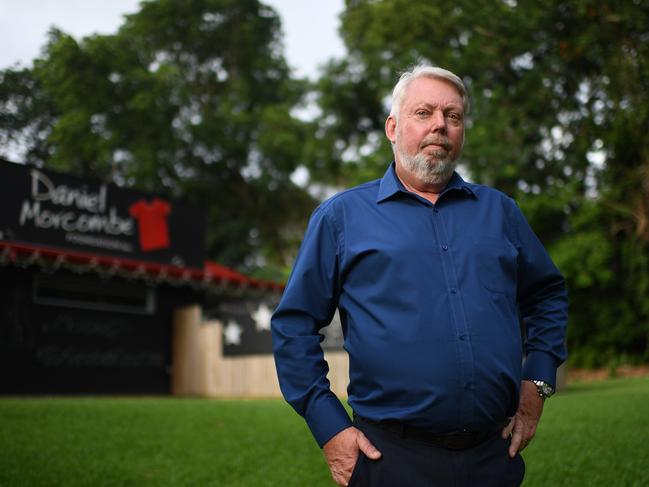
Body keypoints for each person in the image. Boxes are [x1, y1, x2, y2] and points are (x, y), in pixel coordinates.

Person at [271, 64, 568, 487]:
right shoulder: (340, 218)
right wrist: (329, 427)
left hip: (493, 455)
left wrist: (537, 382)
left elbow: (547, 295)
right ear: (393, 127)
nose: (440, 126)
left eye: (453, 116)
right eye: (423, 113)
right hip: (390, 459)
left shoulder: (500, 212)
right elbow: (293, 324)